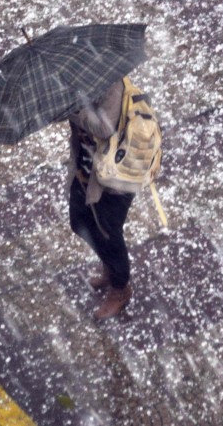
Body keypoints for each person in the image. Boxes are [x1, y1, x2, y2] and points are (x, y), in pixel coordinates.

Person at [68, 78, 135, 319]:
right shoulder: (76, 81)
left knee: (108, 232)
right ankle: (110, 267)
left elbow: (105, 127)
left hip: (116, 176)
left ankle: (120, 288)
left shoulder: (112, 83)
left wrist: (77, 111)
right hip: (87, 169)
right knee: (79, 222)